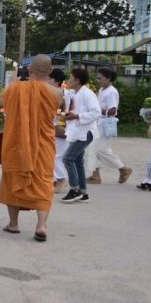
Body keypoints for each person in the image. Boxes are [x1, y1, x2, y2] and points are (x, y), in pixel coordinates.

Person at [0, 55, 62, 241]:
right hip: (44, 144)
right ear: (50, 71)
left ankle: (14, 224)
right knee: (43, 181)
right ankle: (41, 226)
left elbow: (1, 103)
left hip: (18, 143)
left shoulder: (16, 88)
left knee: (13, 178)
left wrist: (11, 84)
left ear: (30, 69)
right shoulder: (57, 93)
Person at [86, 67, 132, 185]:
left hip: (106, 123)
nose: (98, 80)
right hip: (98, 123)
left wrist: (97, 111)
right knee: (92, 149)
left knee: (100, 149)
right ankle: (95, 176)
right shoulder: (102, 89)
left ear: (108, 78)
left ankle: (123, 168)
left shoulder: (112, 91)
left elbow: (113, 110)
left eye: (100, 78)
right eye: (97, 78)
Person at [61, 67, 100, 204]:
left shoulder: (87, 94)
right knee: (77, 161)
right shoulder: (73, 93)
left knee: (67, 158)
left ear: (77, 80)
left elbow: (96, 113)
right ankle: (83, 192)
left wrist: (77, 116)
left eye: (71, 78)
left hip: (86, 131)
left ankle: (74, 189)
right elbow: (69, 108)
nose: (69, 80)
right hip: (77, 131)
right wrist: (67, 116)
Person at [49, 69, 71, 193]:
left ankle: (62, 179)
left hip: (59, 127)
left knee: (56, 155)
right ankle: (56, 179)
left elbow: (62, 113)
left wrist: (59, 127)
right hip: (56, 126)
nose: (48, 81)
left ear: (56, 80)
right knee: (54, 155)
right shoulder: (60, 92)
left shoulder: (61, 93)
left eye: (50, 79)